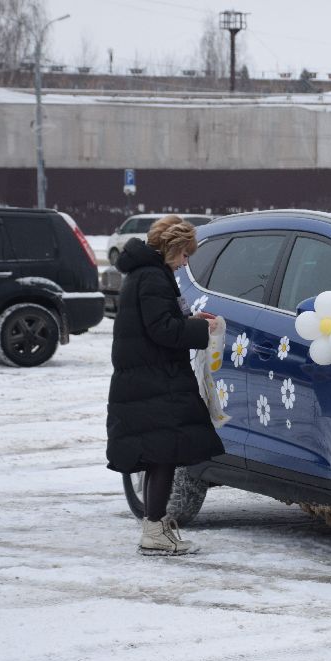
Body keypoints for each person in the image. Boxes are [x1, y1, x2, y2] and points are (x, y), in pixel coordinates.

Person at [106, 215, 224, 556]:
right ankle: (154, 528)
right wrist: (201, 332)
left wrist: (189, 321)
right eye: (184, 254)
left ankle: (155, 526)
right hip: (154, 380)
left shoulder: (143, 275)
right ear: (171, 247)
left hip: (149, 378)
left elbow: (161, 322)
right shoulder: (153, 278)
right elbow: (163, 330)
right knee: (164, 455)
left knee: (165, 455)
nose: (185, 262)